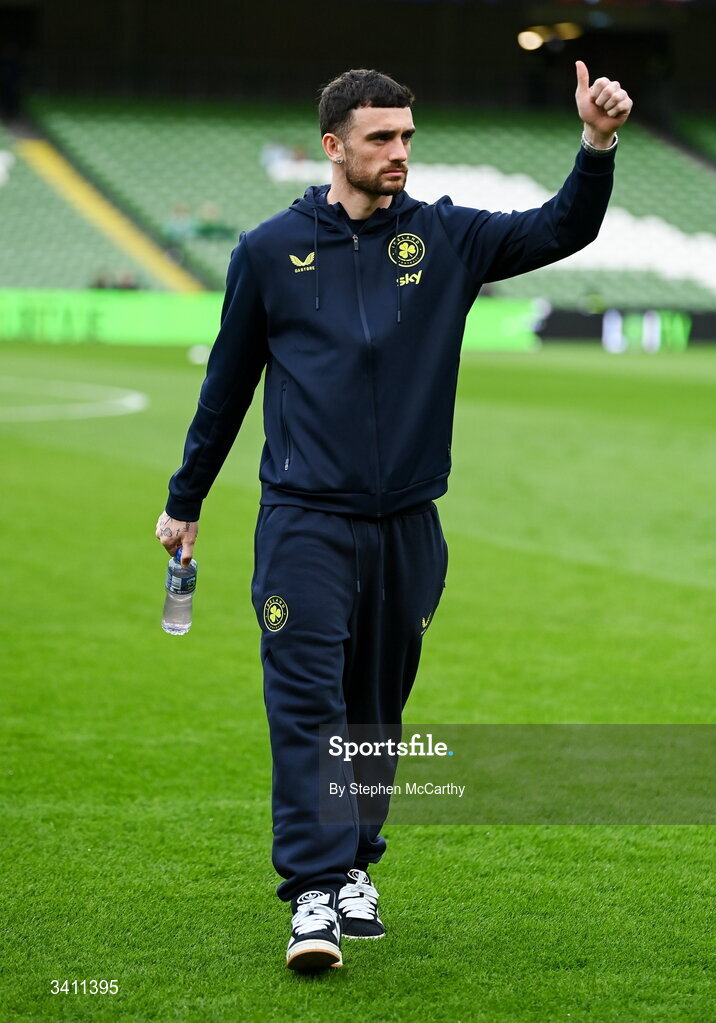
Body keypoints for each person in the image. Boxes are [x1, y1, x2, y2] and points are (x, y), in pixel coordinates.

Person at [155, 64, 632, 972]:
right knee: (307, 706)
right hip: (304, 522)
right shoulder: (267, 251)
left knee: (376, 713)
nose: (400, 153)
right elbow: (226, 387)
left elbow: (563, 226)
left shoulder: (447, 237)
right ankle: (313, 895)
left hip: (410, 525)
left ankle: (357, 863)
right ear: (333, 145)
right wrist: (185, 501)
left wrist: (597, 144)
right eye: (381, 139)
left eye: (408, 137)